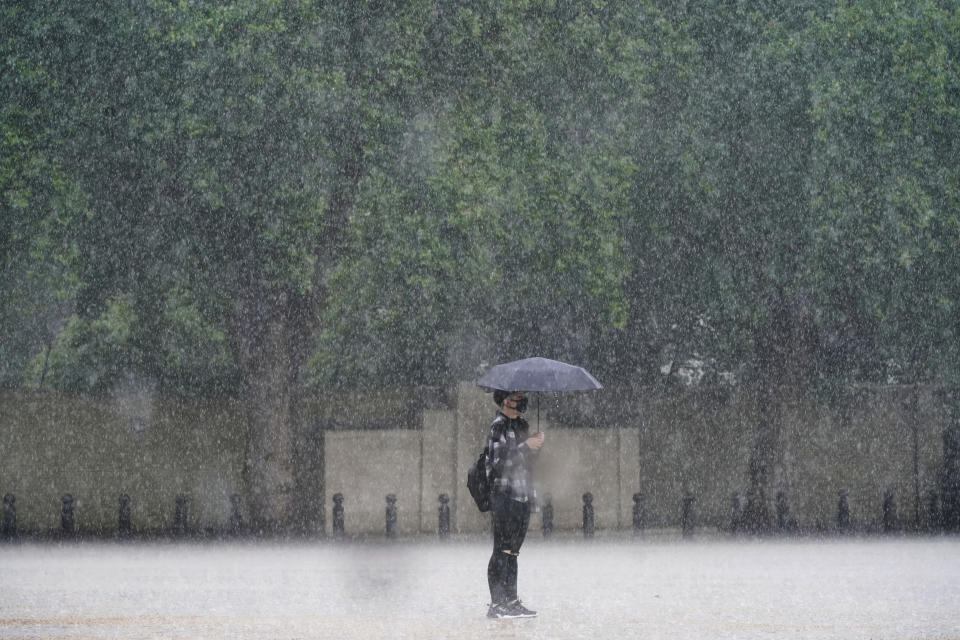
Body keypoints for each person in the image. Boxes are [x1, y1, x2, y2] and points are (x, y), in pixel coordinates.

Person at [484, 389, 545, 619]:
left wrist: (536, 444)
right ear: (506, 400)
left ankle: (511, 601)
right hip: (504, 495)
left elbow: (528, 463)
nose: (522, 401)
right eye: (517, 396)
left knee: (513, 552)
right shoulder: (497, 426)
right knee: (501, 549)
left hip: (523, 495)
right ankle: (496, 604)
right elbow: (499, 463)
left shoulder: (522, 425)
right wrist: (524, 447)